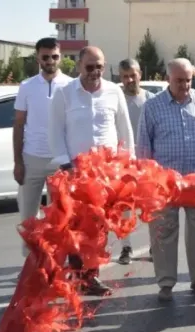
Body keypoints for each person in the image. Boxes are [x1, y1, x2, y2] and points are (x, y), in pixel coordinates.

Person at [48, 46, 134, 296]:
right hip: (74, 174)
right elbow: (55, 132)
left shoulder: (114, 91)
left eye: (100, 66)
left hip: (107, 175)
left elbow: (125, 130)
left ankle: (90, 276)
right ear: (78, 67)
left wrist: (127, 164)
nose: (95, 71)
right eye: (90, 67)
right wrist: (66, 166)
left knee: (99, 228)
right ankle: (77, 274)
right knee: (75, 227)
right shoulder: (64, 94)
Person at [136, 58, 195, 302]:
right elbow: (144, 146)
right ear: (168, 80)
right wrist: (146, 182)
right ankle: (165, 284)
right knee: (163, 232)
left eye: (188, 80)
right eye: (179, 80)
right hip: (164, 183)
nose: (185, 85)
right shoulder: (153, 106)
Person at [13, 37, 73, 257]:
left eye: (55, 56)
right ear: (38, 57)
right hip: (32, 160)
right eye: (45, 57)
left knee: (60, 219)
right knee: (28, 219)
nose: (50, 61)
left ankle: (57, 266)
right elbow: (19, 124)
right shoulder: (27, 86)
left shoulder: (70, 85)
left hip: (61, 161)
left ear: (61, 57)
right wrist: (18, 162)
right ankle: (31, 269)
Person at [116, 58, 154, 265]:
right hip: (123, 165)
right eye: (125, 76)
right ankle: (126, 248)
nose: (130, 80)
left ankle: (154, 247)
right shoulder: (116, 99)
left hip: (147, 163)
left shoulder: (151, 99)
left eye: (133, 75)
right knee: (124, 208)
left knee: (150, 207)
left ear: (140, 74)